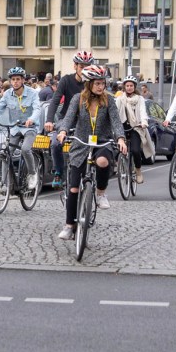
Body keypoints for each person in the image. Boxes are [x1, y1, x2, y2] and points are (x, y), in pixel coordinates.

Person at [56, 65, 127, 239]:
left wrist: (120, 138)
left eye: (102, 83)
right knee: (73, 189)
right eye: (97, 83)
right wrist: (63, 131)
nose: (100, 86)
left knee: (103, 162)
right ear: (89, 84)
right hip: (81, 144)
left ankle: (101, 193)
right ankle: (68, 225)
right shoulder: (77, 99)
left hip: (102, 142)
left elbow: (116, 122)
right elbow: (68, 117)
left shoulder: (109, 100)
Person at [0, 66, 42, 190]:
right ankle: (6, 183)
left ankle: (32, 174)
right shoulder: (7, 94)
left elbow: (38, 108)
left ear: (22, 80)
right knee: (7, 152)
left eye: (18, 79)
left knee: (25, 149)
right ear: (10, 81)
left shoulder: (32, 93)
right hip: (15, 128)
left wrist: (31, 119)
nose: (15, 82)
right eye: (13, 79)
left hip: (30, 128)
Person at [45, 50, 93, 188]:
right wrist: (49, 120)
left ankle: (91, 172)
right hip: (66, 118)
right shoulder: (66, 80)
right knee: (55, 143)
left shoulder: (92, 83)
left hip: (86, 121)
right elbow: (55, 101)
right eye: (82, 66)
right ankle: (59, 172)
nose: (84, 70)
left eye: (87, 66)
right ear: (75, 66)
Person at [115, 75, 153, 183]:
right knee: (117, 148)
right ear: (124, 87)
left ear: (134, 87)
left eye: (131, 85)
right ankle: (121, 164)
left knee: (136, 150)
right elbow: (115, 113)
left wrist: (144, 122)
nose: (129, 87)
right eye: (127, 85)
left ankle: (138, 171)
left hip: (135, 127)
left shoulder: (139, 99)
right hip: (122, 127)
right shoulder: (119, 99)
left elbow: (142, 112)